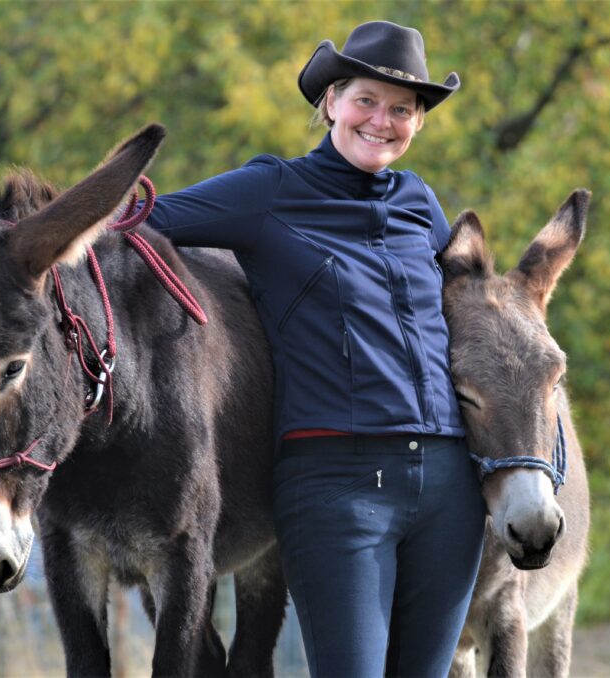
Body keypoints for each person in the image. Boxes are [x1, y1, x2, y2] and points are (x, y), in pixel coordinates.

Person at [145, 20, 486, 677]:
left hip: (449, 487)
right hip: (338, 483)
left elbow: (471, 312)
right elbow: (139, 220)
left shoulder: (421, 203)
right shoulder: (269, 191)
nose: (382, 121)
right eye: (366, 100)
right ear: (329, 101)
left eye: (402, 110)